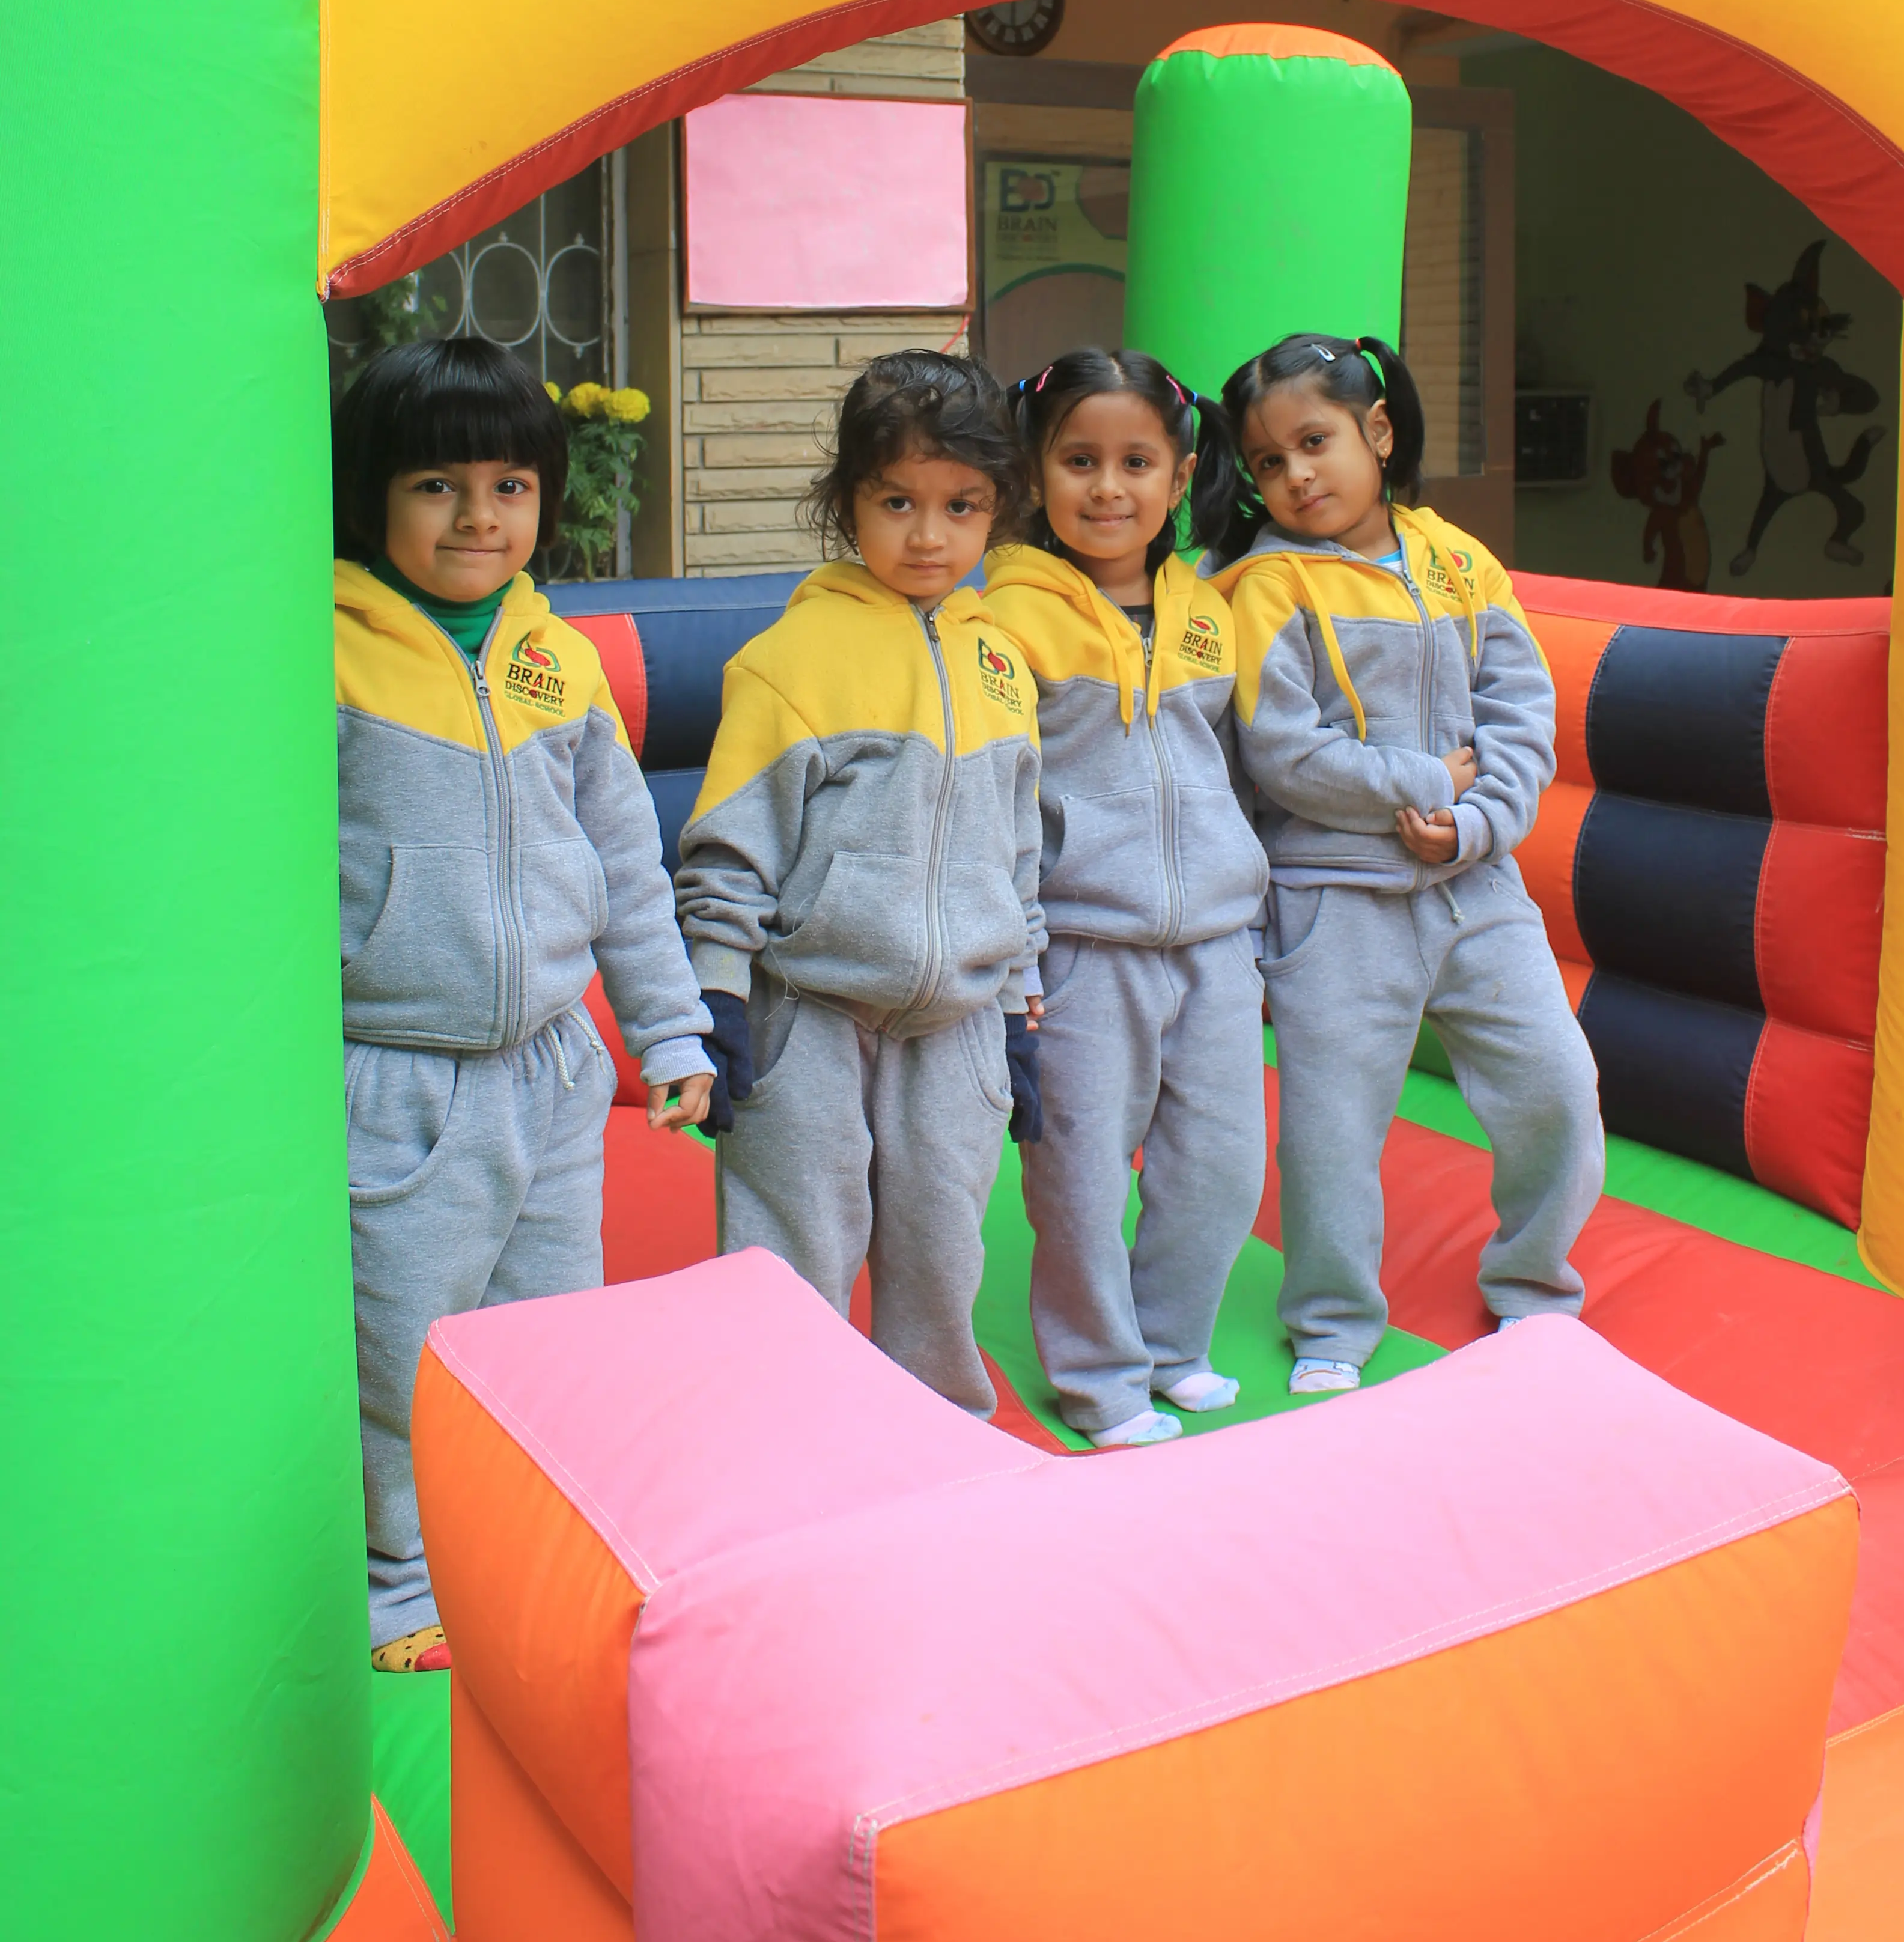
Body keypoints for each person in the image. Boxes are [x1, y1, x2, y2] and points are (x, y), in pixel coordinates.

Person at [333, 338, 714, 1671]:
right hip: (399, 1073)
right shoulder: (329, 658)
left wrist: (667, 1030)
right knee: (404, 1345)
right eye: (437, 485)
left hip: (552, 1068)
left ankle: (535, 1540)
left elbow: (623, 861)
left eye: (509, 485)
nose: (480, 517)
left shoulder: (554, 658)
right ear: (371, 497)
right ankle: (403, 1576)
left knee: (554, 1325)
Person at [1200, 332, 1602, 1396]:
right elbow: (1280, 752)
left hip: (1478, 888)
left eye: (1316, 442)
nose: (1295, 475)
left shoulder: (1460, 562)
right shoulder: (1260, 586)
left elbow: (1522, 714)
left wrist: (1474, 827)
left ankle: (1535, 1288)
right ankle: (1332, 1322)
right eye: (1269, 461)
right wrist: (1421, 784)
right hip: (1334, 903)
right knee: (1332, 1130)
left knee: (1558, 1084)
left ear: (1378, 433)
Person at [675, 350, 1042, 1416]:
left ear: (998, 511)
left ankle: (933, 1444)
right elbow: (729, 849)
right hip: (811, 1015)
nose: (928, 536)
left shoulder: (1000, 662)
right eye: (897, 503)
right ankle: (784, 1450)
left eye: (961, 506)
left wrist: (1020, 1005)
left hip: (958, 1025)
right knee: (793, 1249)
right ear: (848, 504)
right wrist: (719, 994)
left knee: (941, 1253)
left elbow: (1021, 852)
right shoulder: (793, 658)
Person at [988, 351, 1270, 1449]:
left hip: (1215, 942)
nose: (1109, 488)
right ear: (1036, 470)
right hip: (1083, 949)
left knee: (1221, 1165)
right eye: (1080, 461)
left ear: (1181, 472)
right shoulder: (1007, 617)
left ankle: (1170, 1346)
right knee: (1080, 1178)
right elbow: (1002, 799)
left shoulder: (1211, 611)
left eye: (1137, 462)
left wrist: (1259, 919)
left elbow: (1240, 775)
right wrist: (1021, 952)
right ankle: (1103, 1380)